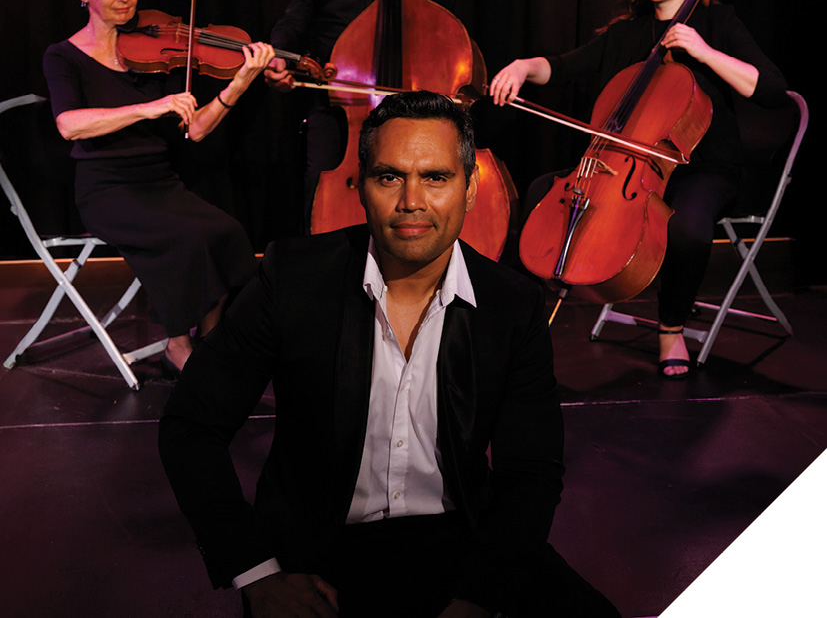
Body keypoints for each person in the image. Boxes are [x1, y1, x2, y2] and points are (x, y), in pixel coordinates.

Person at [158, 91, 620, 617]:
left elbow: (531, 471)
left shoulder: (511, 304)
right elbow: (192, 426)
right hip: (316, 548)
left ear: (470, 191)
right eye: (389, 177)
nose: (411, 201)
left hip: (463, 536)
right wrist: (258, 573)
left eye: (437, 178)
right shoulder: (292, 278)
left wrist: (480, 596)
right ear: (361, 188)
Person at [489, 0, 788, 379]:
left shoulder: (717, 25)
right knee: (538, 194)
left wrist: (705, 52)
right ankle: (521, 320)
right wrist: (521, 66)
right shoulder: (628, 34)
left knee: (687, 227)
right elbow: (564, 67)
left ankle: (671, 329)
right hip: (626, 170)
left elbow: (770, 90)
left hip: (702, 167)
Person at [43, 0, 275, 375]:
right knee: (186, 240)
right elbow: (68, 124)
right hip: (108, 191)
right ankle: (176, 344)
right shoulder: (63, 57)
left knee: (226, 232)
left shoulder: (152, 49)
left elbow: (199, 129)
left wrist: (242, 79)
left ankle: (211, 339)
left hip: (160, 183)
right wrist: (148, 107)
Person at [265, 0, 455, 232]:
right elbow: (293, 21)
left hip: (403, 100)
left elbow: (450, 24)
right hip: (339, 101)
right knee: (319, 184)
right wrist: (278, 55)